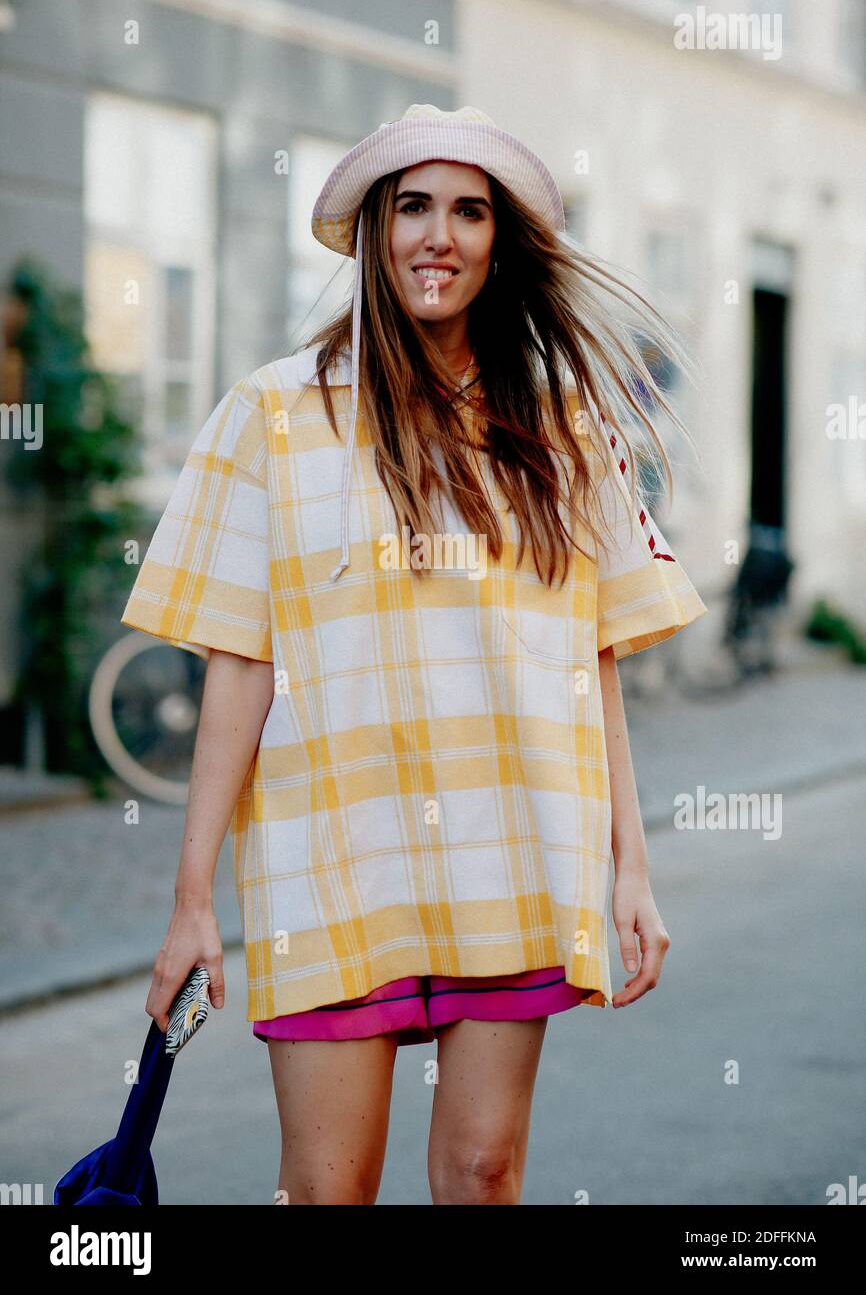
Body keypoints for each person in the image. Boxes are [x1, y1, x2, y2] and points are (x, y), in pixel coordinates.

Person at [120, 103, 708, 1205]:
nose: (438, 234)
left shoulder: (562, 424)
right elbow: (239, 662)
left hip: (515, 847)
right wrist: (191, 897)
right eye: (413, 206)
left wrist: (632, 863)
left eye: (468, 211)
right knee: (326, 1188)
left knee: (483, 1175)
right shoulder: (273, 416)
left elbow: (594, 657)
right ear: (376, 233)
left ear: (499, 241)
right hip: (331, 857)